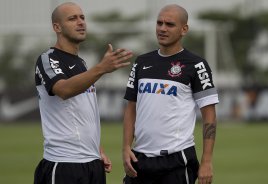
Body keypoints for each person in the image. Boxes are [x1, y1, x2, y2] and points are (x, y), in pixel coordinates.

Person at [34, 2, 133, 184]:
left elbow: (83, 113)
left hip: (92, 163)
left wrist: (98, 149)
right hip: (64, 163)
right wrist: (101, 68)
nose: (80, 22)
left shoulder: (81, 63)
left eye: (82, 17)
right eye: (72, 19)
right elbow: (63, 90)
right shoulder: (47, 59)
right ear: (57, 27)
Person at [122, 4, 219, 184]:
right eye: (159, 23)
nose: (162, 29)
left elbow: (209, 115)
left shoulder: (196, 65)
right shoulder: (142, 62)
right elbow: (131, 107)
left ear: (184, 29)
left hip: (177, 160)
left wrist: (206, 161)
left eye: (169, 24)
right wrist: (126, 146)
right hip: (140, 159)